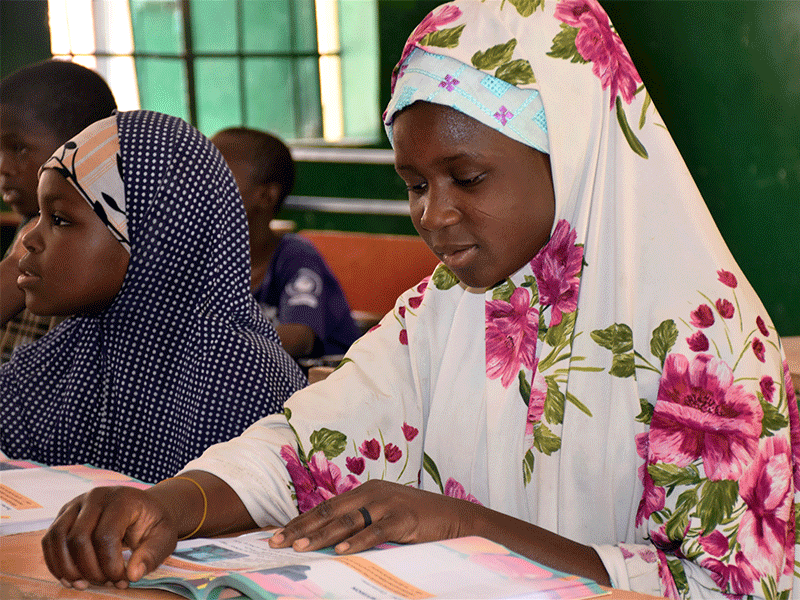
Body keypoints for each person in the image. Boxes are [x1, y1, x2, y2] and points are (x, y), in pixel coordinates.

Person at [42, 2, 798, 599]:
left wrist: (465, 527)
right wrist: (171, 506)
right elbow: (306, 446)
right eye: (413, 185)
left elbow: (730, 588)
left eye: (467, 178)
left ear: (571, 153)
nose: (433, 215)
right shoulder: (448, 306)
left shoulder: (704, 340)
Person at [0, 110, 307, 483]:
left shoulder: (237, 374)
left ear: (154, 236)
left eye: (60, 219)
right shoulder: (66, 351)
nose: (28, 240)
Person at [0, 59, 118, 361]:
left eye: (18, 148)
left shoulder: (100, 239)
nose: (3, 168)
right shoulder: (31, 226)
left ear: (80, 144)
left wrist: (15, 269)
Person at [210, 127, 361, 360]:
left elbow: (299, 337)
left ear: (266, 197)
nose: (198, 188)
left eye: (215, 176)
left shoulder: (295, 256)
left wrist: (218, 346)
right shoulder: (206, 262)